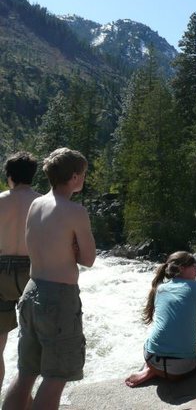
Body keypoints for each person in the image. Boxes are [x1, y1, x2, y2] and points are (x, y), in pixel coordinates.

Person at [2, 148, 96, 410]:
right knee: (55, 378)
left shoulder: (36, 204)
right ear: (75, 177)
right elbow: (88, 258)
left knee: (26, 373)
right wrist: (74, 248)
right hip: (59, 298)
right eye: (84, 174)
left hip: (31, 292)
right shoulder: (75, 211)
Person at [125, 251, 196, 387]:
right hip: (182, 368)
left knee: (152, 341)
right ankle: (153, 371)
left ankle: (150, 370)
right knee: (195, 350)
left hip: (152, 358)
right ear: (181, 269)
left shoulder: (160, 289)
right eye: (194, 266)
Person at [0, 152, 40, 395]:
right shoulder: (43, 202)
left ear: (9, 176)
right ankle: (25, 396)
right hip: (32, 272)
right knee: (33, 339)